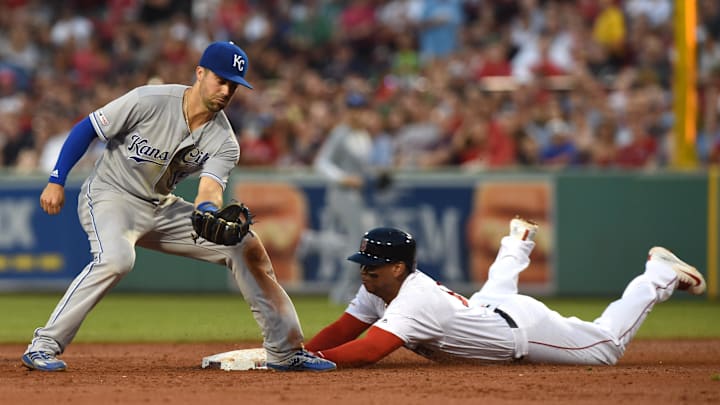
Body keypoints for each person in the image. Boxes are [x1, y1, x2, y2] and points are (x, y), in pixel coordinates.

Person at [22, 41, 336, 372]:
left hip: (161, 206)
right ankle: (44, 345)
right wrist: (57, 179)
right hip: (110, 195)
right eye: (221, 79)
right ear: (199, 73)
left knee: (245, 245)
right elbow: (87, 128)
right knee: (117, 259)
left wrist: (206, 210)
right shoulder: (149, 100)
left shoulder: (224, 141)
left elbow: (210, 187)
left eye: (234, 85)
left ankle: (285, 351)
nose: (227, 90)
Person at [304, 218, 707, 367]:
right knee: (492, 290)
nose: (364, 273)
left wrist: (313, 362)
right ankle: (517, 241)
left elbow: (369, 349)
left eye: (371, 267)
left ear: (396, 268)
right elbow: (344, 329)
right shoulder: (379, 287)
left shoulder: (411, 296)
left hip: (521, 329)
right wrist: (305, 352)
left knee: (605, 348)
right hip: (485, 309)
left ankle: (658, 274)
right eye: (362, 265)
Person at [313, 91, 383, 305]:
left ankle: (347, 288)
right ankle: (342, 292)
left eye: (359, 110)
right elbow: (321, 163)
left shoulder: (364, 135)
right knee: (358, 241)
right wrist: (343, 178)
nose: (356, 114)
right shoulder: (340, 133)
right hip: (342, 194)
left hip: (357, 195)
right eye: (353, 110)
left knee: (357, 241)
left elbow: (364, 168)